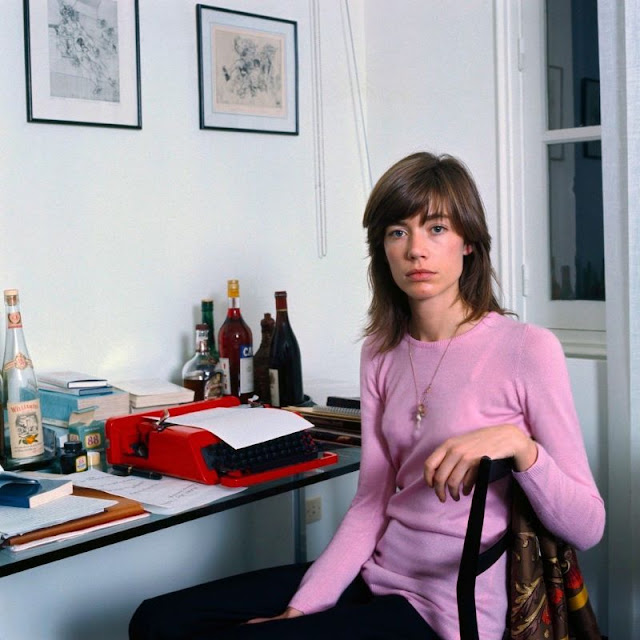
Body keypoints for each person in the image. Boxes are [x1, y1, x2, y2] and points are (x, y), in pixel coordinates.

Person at [129, 152, 605, 640]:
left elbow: (588, 526)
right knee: (157, 620)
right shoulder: (381, 352)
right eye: (398, 231)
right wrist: (304, 608)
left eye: (436, 228)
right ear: (382, 249)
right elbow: (371, 501)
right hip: (379, 573)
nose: (417, 250)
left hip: (448, 610)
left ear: (468, 242)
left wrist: (520, 447)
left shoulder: (526, 349)